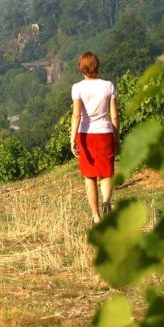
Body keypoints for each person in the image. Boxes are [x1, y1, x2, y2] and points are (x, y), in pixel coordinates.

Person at [70, 52, 119, 224]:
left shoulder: (78, 88)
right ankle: (106, 200)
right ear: (97, 65)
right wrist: (116, 136)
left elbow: (76, 115)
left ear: (81, 68)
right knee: (106, 172)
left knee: (89, 176)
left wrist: (72, 138)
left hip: (86, 133)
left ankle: (96, 215)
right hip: (105, 132)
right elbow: (114, 115)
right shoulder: (108, 86)